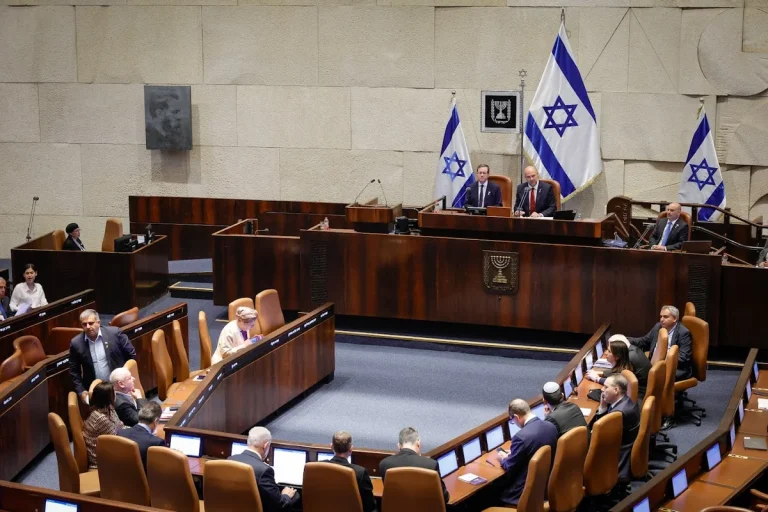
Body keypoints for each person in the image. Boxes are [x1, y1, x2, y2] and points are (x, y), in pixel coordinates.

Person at [495, 399, 558, 506]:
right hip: (546, 486)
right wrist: (515, 452)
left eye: (512, 420)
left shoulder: (521, 437)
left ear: (516, 417)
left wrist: (503, 458)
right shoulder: (551, 426)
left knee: (491, 492)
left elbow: (509, 466)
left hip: (523, 493)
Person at [69, 309, 137, 404]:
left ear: (98, 322)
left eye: (91, 323)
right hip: (97, 391)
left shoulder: (114, 333)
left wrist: (125, 379)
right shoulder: (76, 343)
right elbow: (74, 371)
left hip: (119, 388)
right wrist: (81, 391)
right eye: (84, 324)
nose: (88, 327)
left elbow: (131, 355)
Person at [227, 426, 299, 512]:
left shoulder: (230, 459)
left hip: (233, 507)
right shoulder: (264, 470)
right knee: (295, 496)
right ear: (266, 445)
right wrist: (286, 496)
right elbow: (279, 505)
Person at [589, 375, 640, 481]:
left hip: (617, 456)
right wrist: (603, 407)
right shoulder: (625, 401)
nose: (602, 390)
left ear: (616, 390)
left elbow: (598, 435)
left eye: (606, 387)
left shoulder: (619, 414)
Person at [379, 427, 449, 503]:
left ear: (399, 446)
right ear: (418, 444)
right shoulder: (430, 465)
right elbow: (444, 498)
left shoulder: (384, 464)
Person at [629, 305, 692, 381]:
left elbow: (684, 357)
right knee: (634, 371)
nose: (662, 319)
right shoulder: (658, 326)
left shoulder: (683, 333)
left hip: (675, 368)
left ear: (674, 318)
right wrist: (625, 339)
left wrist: (663, 361)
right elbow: (644, 341)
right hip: (654, 363)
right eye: (661, 316)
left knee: (653, 377)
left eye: (665, 317)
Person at [324, 431, 377, 512]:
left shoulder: (316, 467)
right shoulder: (360, 472)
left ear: (331, 446)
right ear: (351, 449)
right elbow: (369, 506)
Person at [83, 381, 125, 469]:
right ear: (107, 397)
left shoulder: (109, 407)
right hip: (101, 460)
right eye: (113, 392)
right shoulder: (100, 418)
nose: (116, 394)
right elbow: (116, 440)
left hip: (112, 447)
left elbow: (120, 425)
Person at [117, 402, 165, 470]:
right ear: (156, 421)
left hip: (122, 476)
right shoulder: (157, 442)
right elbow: (161, 469)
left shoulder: (120, 433)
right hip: (146, 479)